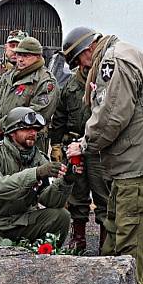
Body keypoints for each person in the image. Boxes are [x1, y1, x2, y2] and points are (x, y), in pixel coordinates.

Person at [66, 32, 143, 282]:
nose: (83, 67)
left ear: (88, 49)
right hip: (129, 162)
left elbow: (112, 116)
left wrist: (85, 144)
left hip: (136, 164)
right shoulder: (121, 54)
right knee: (116, 228)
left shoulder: (115, 61)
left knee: (129, 237)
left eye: (80, 60)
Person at [0, 107, 74, 245]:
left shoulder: (39, 158)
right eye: (26, 129)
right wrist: (35, 173)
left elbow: (49, 201)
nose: (33, 133)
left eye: (36, 129)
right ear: (12, 132)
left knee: (61, 216)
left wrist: (66, 181)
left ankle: (44, 260)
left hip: (23, 221)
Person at [50, 27, 110, 253]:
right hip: (74, 148)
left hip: (99, 149)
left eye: (87, 52)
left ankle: (106, 244)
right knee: (77, 195)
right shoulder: (70, 86)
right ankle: (79, 239)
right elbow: (60, 118)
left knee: (103, 197)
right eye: (81, 56)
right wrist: (56, 146)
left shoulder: (107, 80)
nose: (87, 57)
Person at [0, 36, 58, 153]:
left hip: (27, 145)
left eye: (26, 55)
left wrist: (2, 125)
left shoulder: (45, 81)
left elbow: (36, 114)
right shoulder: (8, 76)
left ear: (38, 57)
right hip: (0, 141)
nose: (20, 59)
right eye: (19, 55)